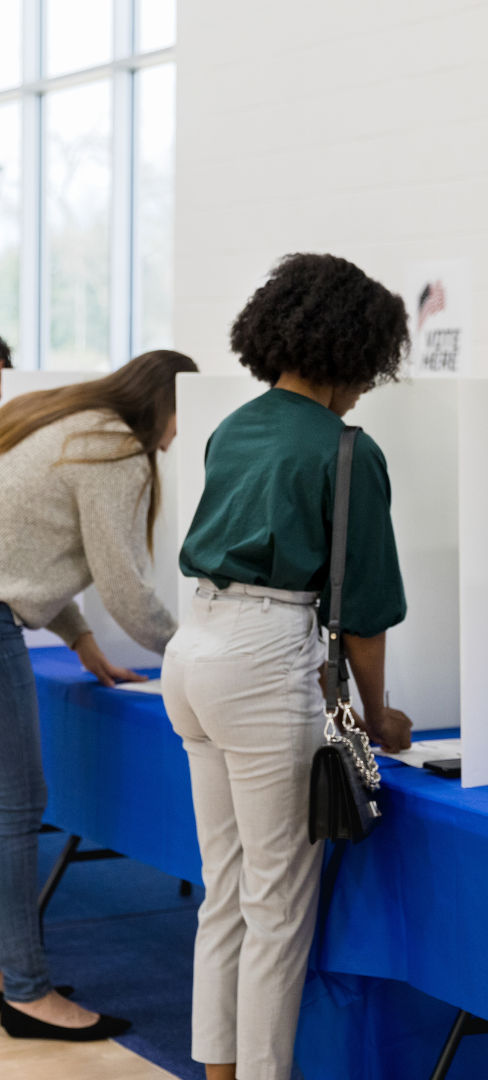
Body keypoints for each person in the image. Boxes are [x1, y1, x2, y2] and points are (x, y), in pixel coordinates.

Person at [162, 253, 415, 1080]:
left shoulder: (233, 426)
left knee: (225, 892)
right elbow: (366, 618)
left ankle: (220, 1073)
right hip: (264, 658)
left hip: (193, 649)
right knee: (277, 905)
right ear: (357, 349)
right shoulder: (347, 451)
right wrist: (379, 719)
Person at [0, 349, 198, 1041]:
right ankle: (25, 992)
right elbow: (125, 587)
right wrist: (196, 654)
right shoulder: (116, 448)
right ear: (168, 405)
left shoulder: (68, 418)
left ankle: (9, 972)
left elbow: (27, 546)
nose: (180, 439)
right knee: (16, 809)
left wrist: (83, 642)